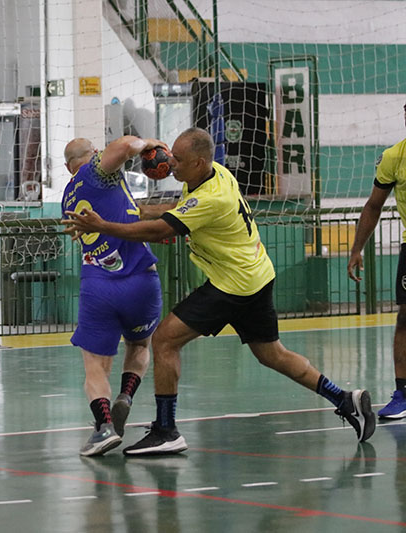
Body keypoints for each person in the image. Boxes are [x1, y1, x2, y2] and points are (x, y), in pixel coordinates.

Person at [63, 127, 376, 455]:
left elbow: (159, 231)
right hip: (256, 275)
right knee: (273, 355)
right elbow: (178, 209)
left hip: (232, 285)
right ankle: (345, 399)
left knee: (165, 340)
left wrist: (103, 226)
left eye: (178, 159)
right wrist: (137, 210)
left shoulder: (210, 199)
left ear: (198, 163)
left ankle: (166, 431)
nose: (170, 162)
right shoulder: (215, 175)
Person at [61, 136, 166, 456]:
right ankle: (126, 395)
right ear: (94, 154)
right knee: (140, 345)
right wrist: (147, 143)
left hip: (99, 285)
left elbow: (133, 212)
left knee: (95, 364)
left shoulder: (67, 196)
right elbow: (123, 146)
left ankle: (104, 426)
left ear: (67, 167)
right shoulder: (96, 172)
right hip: (141, 278)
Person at [347, 102, 406, 419]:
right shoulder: (394, 157)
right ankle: (403, 393)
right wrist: (357, 248)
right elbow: (373, 205)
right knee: (405, 318)